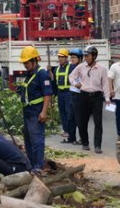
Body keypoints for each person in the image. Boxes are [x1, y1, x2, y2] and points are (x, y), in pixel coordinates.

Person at [17, 46, 52, 174]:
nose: (25, 65)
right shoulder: (30, 73)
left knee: (37, 141)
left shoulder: (41, 74)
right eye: (24, 63)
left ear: (34, 61)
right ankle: (31, 165)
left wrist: (44, 112)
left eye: (26, 63)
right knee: (28, 141)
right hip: (28, 112)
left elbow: (47, 94)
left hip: (36, 112)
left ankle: (38, 166)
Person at [69, 46, 110, 154]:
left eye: (87, 56)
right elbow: (71, 76)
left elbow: (105, 84)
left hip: (97, 97)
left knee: (98, 122)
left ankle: (97, 146)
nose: (85, 58)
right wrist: (74, 83)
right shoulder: (81, 67)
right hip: (83, 96)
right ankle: (85, 143)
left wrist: (107, 98)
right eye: (85, 56)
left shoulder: (102, 69)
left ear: (94, 56)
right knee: (82, 121)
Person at [48, 49, 76, 141]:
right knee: (62, 113)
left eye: (62, 57)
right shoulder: (56, 69)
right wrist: (53, 94)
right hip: (60, 93)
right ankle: (65, 130)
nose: (60, 59)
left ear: (66, 58)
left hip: (69, 93)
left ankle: (70, 132)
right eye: (59, 57)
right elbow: (54, 82)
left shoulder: (71, 67)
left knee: (69, 113)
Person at [67, 48, 84, 145]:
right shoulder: (71, 67)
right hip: (72, 93)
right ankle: (71, 137)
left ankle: (82, 139)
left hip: (80, 94)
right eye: (71, 57)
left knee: (79, 118)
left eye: (74, 57)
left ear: (80, 58)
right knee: (71, 117)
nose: (72, 59)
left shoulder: (83, 67)